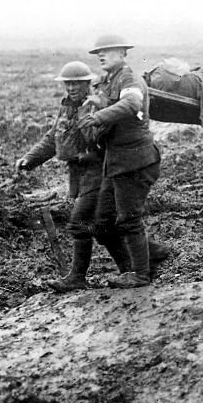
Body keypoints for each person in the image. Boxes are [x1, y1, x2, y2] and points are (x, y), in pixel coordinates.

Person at [76, 35, 165, 289]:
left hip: (135, 161)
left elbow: (132, 102)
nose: (101, 56)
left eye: (107, 51)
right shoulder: (107, 82)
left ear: (123, 54)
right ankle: (147, 259)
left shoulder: (129, 78)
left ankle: (141, 273)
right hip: (115, 163)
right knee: (103, 225)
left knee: (128, 219)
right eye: (98, 53)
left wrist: (99, 116)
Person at [16, 61, 104, 292]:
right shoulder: (66, 107)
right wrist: (30, 159)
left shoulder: (96, 106)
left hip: (98, 172)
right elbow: (53, 137)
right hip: (79, 174)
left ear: (87, 84)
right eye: (68, 83)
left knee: (80, 222)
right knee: (102, 228)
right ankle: (140, 262)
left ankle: (77, 277)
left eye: (77, 83)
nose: (72, 87)